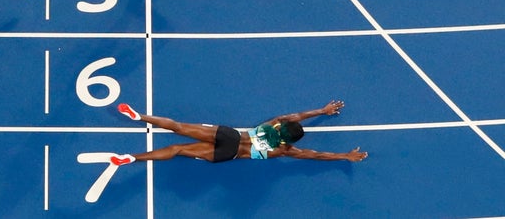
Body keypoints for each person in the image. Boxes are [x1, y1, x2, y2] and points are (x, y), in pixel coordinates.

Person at [110, 100, 368, 165]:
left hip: (230, 136)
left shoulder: (274, 123)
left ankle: (138, 116)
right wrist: (344, 156)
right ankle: (133, 158)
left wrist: (322, 111)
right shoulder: (285, 150)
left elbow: (297, 116)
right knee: (177, 150)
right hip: (228, 153)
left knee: (178, 126)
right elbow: (315, 155)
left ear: (282, 127)